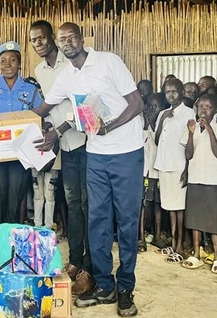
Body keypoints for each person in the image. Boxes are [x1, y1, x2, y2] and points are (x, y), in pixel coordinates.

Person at [32, 22, 144, 317]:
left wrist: (111, 126)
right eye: (62, 39)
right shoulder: (67, 77)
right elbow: (42, 109)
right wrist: (0, 128)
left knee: (127, 223)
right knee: (98, 221)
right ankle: (105, 285)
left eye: (72, 37)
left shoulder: (109, 61)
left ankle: (125, 288)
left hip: (127, 152)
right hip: (95, 154)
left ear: (82, 39)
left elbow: (137, 103)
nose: (67, 42)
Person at [29, 20, 92, 295]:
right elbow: (48, 107)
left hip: (86, 142)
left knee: (89, 204)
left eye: (42, 38)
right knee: (73, 203)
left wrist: (58, 129)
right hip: (63, 146)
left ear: (52, 37)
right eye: (33, 40)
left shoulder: (73, 63)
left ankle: (91, 266)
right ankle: (76, 260)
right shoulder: (39, 70)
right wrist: (44, 129)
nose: (38, 44)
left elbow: (86, 104)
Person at [0, 41, 43, 263]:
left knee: (15, 203)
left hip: (19, 158)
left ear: (19, 63)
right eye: (3, 61)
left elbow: (39, 119)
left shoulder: (32, 90)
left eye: (12, 60)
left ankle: (14, 253)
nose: (8, 65)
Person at [180, 94, 217, 274]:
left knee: (214, 219)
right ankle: (196, 254)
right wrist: (192, 133)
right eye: (201, 106)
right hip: (195, 177)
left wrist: (208, 128)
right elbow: (188, 154)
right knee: (195, 218)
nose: (203, 109)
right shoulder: (191, 127)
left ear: (216, 109)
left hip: (214, 179)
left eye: (208, 107)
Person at [154, 78, 195, 261]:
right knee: (170, 207)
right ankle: (173, 243)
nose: (170, 95)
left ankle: (181, 244)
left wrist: (187, 170)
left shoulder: (188, 112)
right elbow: (156, 140)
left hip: (179, 165)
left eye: (174, 91)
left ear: (181, 92)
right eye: (167, 92)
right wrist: (162, 120)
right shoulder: (163, 113)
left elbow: (190, 144)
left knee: (180, 207)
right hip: (164, 165)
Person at [140, 93, 167, 252]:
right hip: (145, 171)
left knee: (158, 204)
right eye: (149, 106)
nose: (151, 109)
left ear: (162, 108)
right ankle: (141, 237)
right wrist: (146, 125)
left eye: (155, 107)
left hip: (158, 170)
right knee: (143, 204)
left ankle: (157, 236)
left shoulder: (164, 124)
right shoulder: (142, 123)